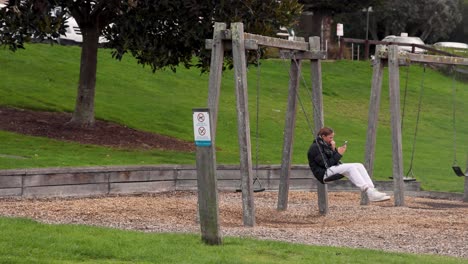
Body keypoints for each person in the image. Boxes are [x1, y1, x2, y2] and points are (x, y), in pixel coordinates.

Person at [307, 127, 390, 202]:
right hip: (323, 174)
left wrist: (333, 149)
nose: (332, 140)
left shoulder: (326, 145)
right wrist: (338, 154)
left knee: (359, 165)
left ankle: (372, 190)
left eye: (332, 137)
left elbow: (334, 162)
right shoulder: (315, 147)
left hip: (331, 170)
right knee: (351, 167)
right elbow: (327, 165)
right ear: (323, 136)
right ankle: (369, 191)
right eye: (330, 137)